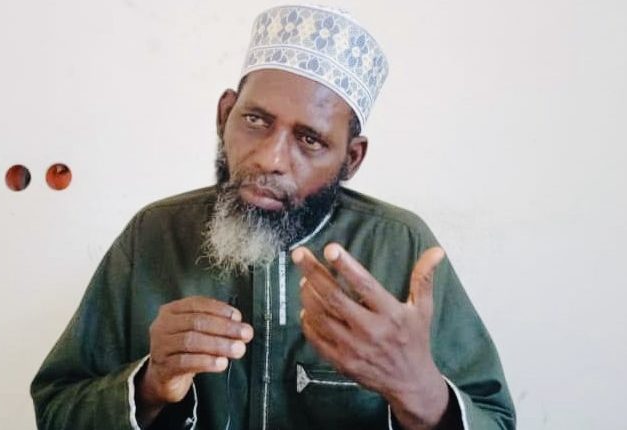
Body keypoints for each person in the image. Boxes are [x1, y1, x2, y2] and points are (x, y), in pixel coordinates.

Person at [31, 5, 515, 429]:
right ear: (225, 114)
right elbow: (55, 411)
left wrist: (421, 393)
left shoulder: (400, 246)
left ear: (351, 158)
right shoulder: (153, 234)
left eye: (309, 139)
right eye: (255, 120)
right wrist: (150, 386)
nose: (270, 158)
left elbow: (496, 419)